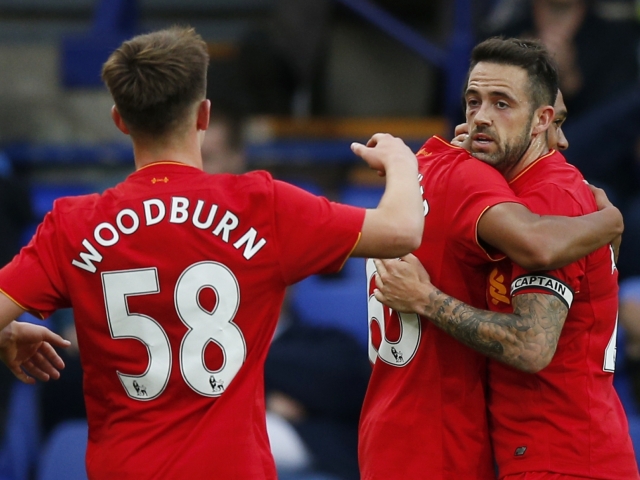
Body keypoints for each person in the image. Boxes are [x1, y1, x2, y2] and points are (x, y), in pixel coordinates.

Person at [0, 26, 425, 480]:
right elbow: (402, 230)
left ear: (119, 120)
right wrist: (402, 162)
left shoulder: (72, 224)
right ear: (203, 115)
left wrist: (5, 335)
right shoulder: (261, 206)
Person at [358, 37, 625, 480]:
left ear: (542, 120)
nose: (481, 116)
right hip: (527, 452)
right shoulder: (490, 188)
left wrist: (427, 299)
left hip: (565, 457)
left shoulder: (547, 196)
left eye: (502, 104)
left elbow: (531, 345)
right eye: (473, 101)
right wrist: (611, 224)